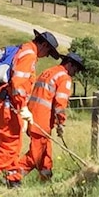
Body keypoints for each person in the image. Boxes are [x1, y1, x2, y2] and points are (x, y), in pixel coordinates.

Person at [0, 30, 61, 193]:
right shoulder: (29, 55)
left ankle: (14, 180)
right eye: (48, 52)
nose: (46, 56)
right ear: (43, 45)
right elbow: (19, 84)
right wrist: (22, 107)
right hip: (9, 105)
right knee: (10, 147)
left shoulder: (21, 50)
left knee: (12, 144)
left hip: (4, 102)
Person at [20, 52, 85, 181]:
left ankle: (45, 176)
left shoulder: (48, 72)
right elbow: (60, 103)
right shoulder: (64, 78)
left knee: (46, 152)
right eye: (76, 69)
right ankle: (13, 175)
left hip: (32, 115)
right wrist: (61, 122)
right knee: (36, 154)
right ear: (69, 65)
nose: (75, 73)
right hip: (42, 118)